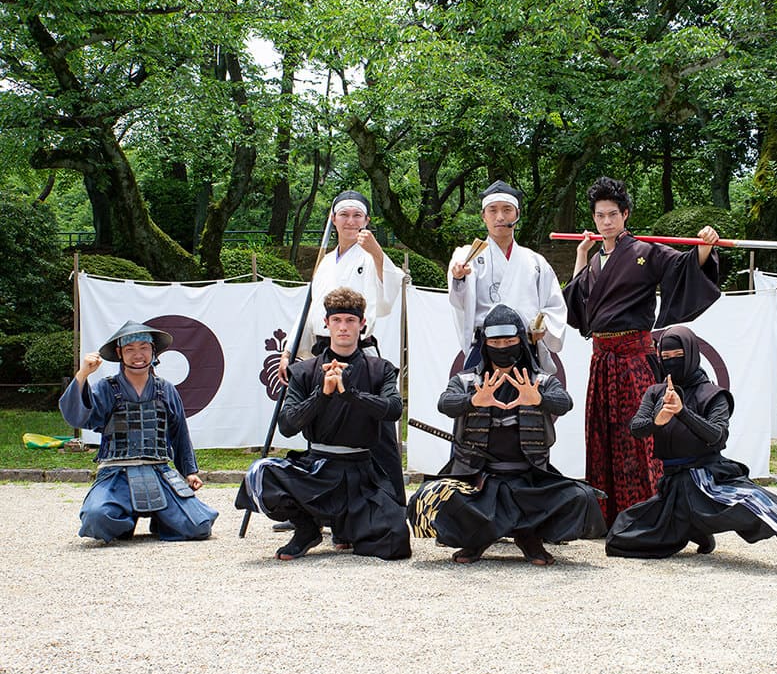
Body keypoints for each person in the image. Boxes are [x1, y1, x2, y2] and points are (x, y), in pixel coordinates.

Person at [606, 326, 777, 582]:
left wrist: (683, 412)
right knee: (619, 539)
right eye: (665, 357)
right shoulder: (656, 392)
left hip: (708, 478)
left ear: (692, 354)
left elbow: (717, 436)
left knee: (763, 503)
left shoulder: (713, 395)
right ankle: (693, 529)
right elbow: (636, 429)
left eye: (678, 355)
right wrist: (658, 420)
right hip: (673, 488)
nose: (672, 362)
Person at [563, 176, 721, 525]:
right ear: (594, 219)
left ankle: (648, 512)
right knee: (601, 434)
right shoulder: (594, 261)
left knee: (640, 435)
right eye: (600, 215)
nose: (606, 221)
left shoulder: (645, 251)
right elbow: (577, 303)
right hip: (601, 360)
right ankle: (606, 514)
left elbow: (683, 266)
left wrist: (705, 247)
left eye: (613, 215)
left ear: (625, 215)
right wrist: (581, 256)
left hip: (634, 359)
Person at [408, 304, 606, 565]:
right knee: (426, 497)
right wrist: (472, 401)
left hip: (530, 481)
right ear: (484, 343)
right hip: (479, 482)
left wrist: (539, 398)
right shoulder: (468, 381)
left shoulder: (540, 380)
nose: (502, 347)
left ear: (521, 341)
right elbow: (445, 403)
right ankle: (477, 538)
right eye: (495, 341)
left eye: (509, 340)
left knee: (582, 499)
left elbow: (564, 402)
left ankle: (528, 535)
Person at [238, 287, 411, 561]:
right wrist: (322, 395)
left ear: (362, 324)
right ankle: (306, 529)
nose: (344, 327)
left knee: (395, 543)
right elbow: (287, 425)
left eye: (351, 321)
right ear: (326, 323)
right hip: (319, 468)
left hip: (362, 472)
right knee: (261, 474)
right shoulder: (305, 371)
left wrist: (351, 395)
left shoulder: (381, 369)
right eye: (338, 320)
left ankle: (348, 528)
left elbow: (392, 409)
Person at [274, 189, 406, 531]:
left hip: (359, 351)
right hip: (322, 350)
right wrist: (290, 350)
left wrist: (377, 254)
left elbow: (389, 293)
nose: (350, 221)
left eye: (357, 216)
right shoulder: (324, 262)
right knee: (321, 424)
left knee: (375, 426)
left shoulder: (369, 255)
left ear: (366, 221)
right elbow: (310, 307)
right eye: (344, 215)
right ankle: (312, 506)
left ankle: (390, 501)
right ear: (333, 220)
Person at [59, 321, 218, 543]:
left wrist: (189, 471)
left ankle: (163, 519)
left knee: (198, 526)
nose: (138, 355)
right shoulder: (107, 388)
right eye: (130, 349)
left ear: (153, 351)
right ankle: (125, 516)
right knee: (96, 518)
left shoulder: (166, 389)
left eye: (144, 347)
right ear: (119, 353)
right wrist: (83, 374)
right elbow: (77, 416)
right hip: (116, 474)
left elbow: (180, 432)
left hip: (159, 471)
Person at [448, 180, 567, 373]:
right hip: (486, 346)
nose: (500, 217)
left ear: (517, 214)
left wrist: (543, 327)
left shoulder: (535, 262)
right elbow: (459, 298)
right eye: (492, 210)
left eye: (507, 210)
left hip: (524, 346)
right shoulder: (468, 255)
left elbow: (555, 306)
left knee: (529, 401)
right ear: (483, 216)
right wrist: (459, 277)